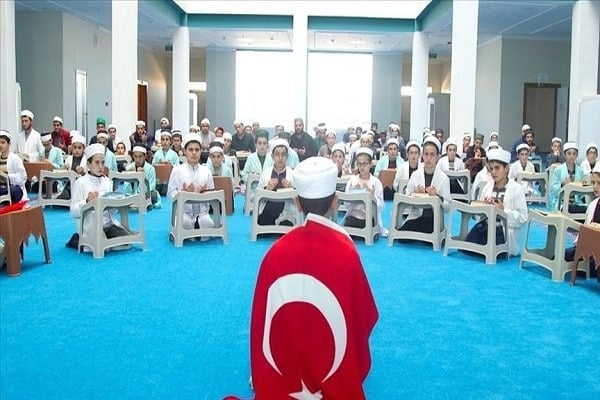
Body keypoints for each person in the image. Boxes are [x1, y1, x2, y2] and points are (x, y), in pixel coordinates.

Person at [248, 156, 378, 399]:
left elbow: (262, 318)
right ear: (335, 203)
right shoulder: (346, 252)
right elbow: (364, 315)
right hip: (331, 356)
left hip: (285, 359)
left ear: (297, 203)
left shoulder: (275, 253)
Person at [67, 143, 132, 250]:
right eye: (97, 162)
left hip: (107, 224)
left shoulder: (107, 181)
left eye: (103, 162)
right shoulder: (80, 182)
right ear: (88, 164)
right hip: (89, 227)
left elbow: (111, 211)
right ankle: (77, 239)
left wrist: (116, 202)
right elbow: (73, 211)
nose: (101, 166)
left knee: (127, 243)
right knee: (102, 248)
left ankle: (102, 240)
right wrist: (87, 201)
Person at [466, 148, 528, 257]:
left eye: (497, 168)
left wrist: (503, 211)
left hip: (504, 231)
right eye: (491, 169)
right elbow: (477, 216)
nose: (493, 172)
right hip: (485, 226)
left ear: (506, 168)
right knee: (467, 247)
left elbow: (523, 218)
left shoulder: (516, 189)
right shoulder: (487, 187)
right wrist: (484, 207)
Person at [399, 137, 450, 234]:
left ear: (438, 157)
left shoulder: (444, 178)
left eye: (432, 155)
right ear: (422, 156)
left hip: (434, 220)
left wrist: (437, 197)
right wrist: (414, 194)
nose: (429, 158)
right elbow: (406, 201)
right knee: (401, 238)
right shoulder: (415, 175)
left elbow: (448, 207)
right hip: (416, 217)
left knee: (432, 238)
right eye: (426, 154)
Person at [167, 134, 215, 232]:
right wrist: (183, 192)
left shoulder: (206, 171)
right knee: (184, 225)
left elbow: (212, 196)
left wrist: (204, 193)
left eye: (197, 150)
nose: (194, 153)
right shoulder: (177, 170)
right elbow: (170, 194)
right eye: (190, 149)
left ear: (200, 151)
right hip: (183, 213)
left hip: (202, 214)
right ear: (185, 151)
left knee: (208, 226)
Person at [343, 147, 386, 236]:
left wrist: (372, 197)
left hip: (369, 218)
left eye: (365, 164)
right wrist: (351, 195)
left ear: (370, 164)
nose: (362, 167)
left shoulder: (376, 182)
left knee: (371, 231)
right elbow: (346, 205)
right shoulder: (352, 181)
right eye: (359, 164)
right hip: (354, 217)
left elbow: (380, 207)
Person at [256, 139, 296, 226]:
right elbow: (257, 199)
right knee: (263, 224)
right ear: (272, 156)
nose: (280, 158)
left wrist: (291, 189)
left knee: (286, 225)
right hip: (267, 210)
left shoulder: (293, 174)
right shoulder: (265, 173)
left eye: (283, 155)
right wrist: (267, 190)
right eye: (277, 154)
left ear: (287, 156)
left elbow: (298, 201)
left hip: (287, 212)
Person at [550, 142, 585, 211]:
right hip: (561, 202)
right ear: (564, 155)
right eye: (569, 153)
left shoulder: (581, 171)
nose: (571, 156)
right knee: (568, 209)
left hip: (576, 202)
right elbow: (552, 190)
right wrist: (562, 184)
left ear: (577, 155)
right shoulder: (558, 170)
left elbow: (582, 194)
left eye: (574, 154)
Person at [124, 144, 161, 210]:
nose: (137, 160)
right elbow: (127, 190)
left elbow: (152, 187)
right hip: (132, 195)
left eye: (140, 157)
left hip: (146, 195)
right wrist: (131, 177)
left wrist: (143, 177)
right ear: (133, 156)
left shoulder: (150, 169)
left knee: (153, 195)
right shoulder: (129, 168)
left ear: (145, 156)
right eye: (135, 156)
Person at [0, 130, 27, 203]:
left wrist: (8, 177)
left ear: (9, 144)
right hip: (1, 188)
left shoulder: (15, 158)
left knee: (15, 191)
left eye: (3, 142)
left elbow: (23, 177)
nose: (0, 145)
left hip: (10, 187)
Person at [57, 133, 87, 200]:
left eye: (79, 148)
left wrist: (82, 172)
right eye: (75, 147)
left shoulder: (86, 160)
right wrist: (64, 170)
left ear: (83, 149)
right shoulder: (68, 159)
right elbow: (63, 177)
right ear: (72, 148)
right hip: (69, 186)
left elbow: (90, 177)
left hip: (81, 186)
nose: (77, 150)